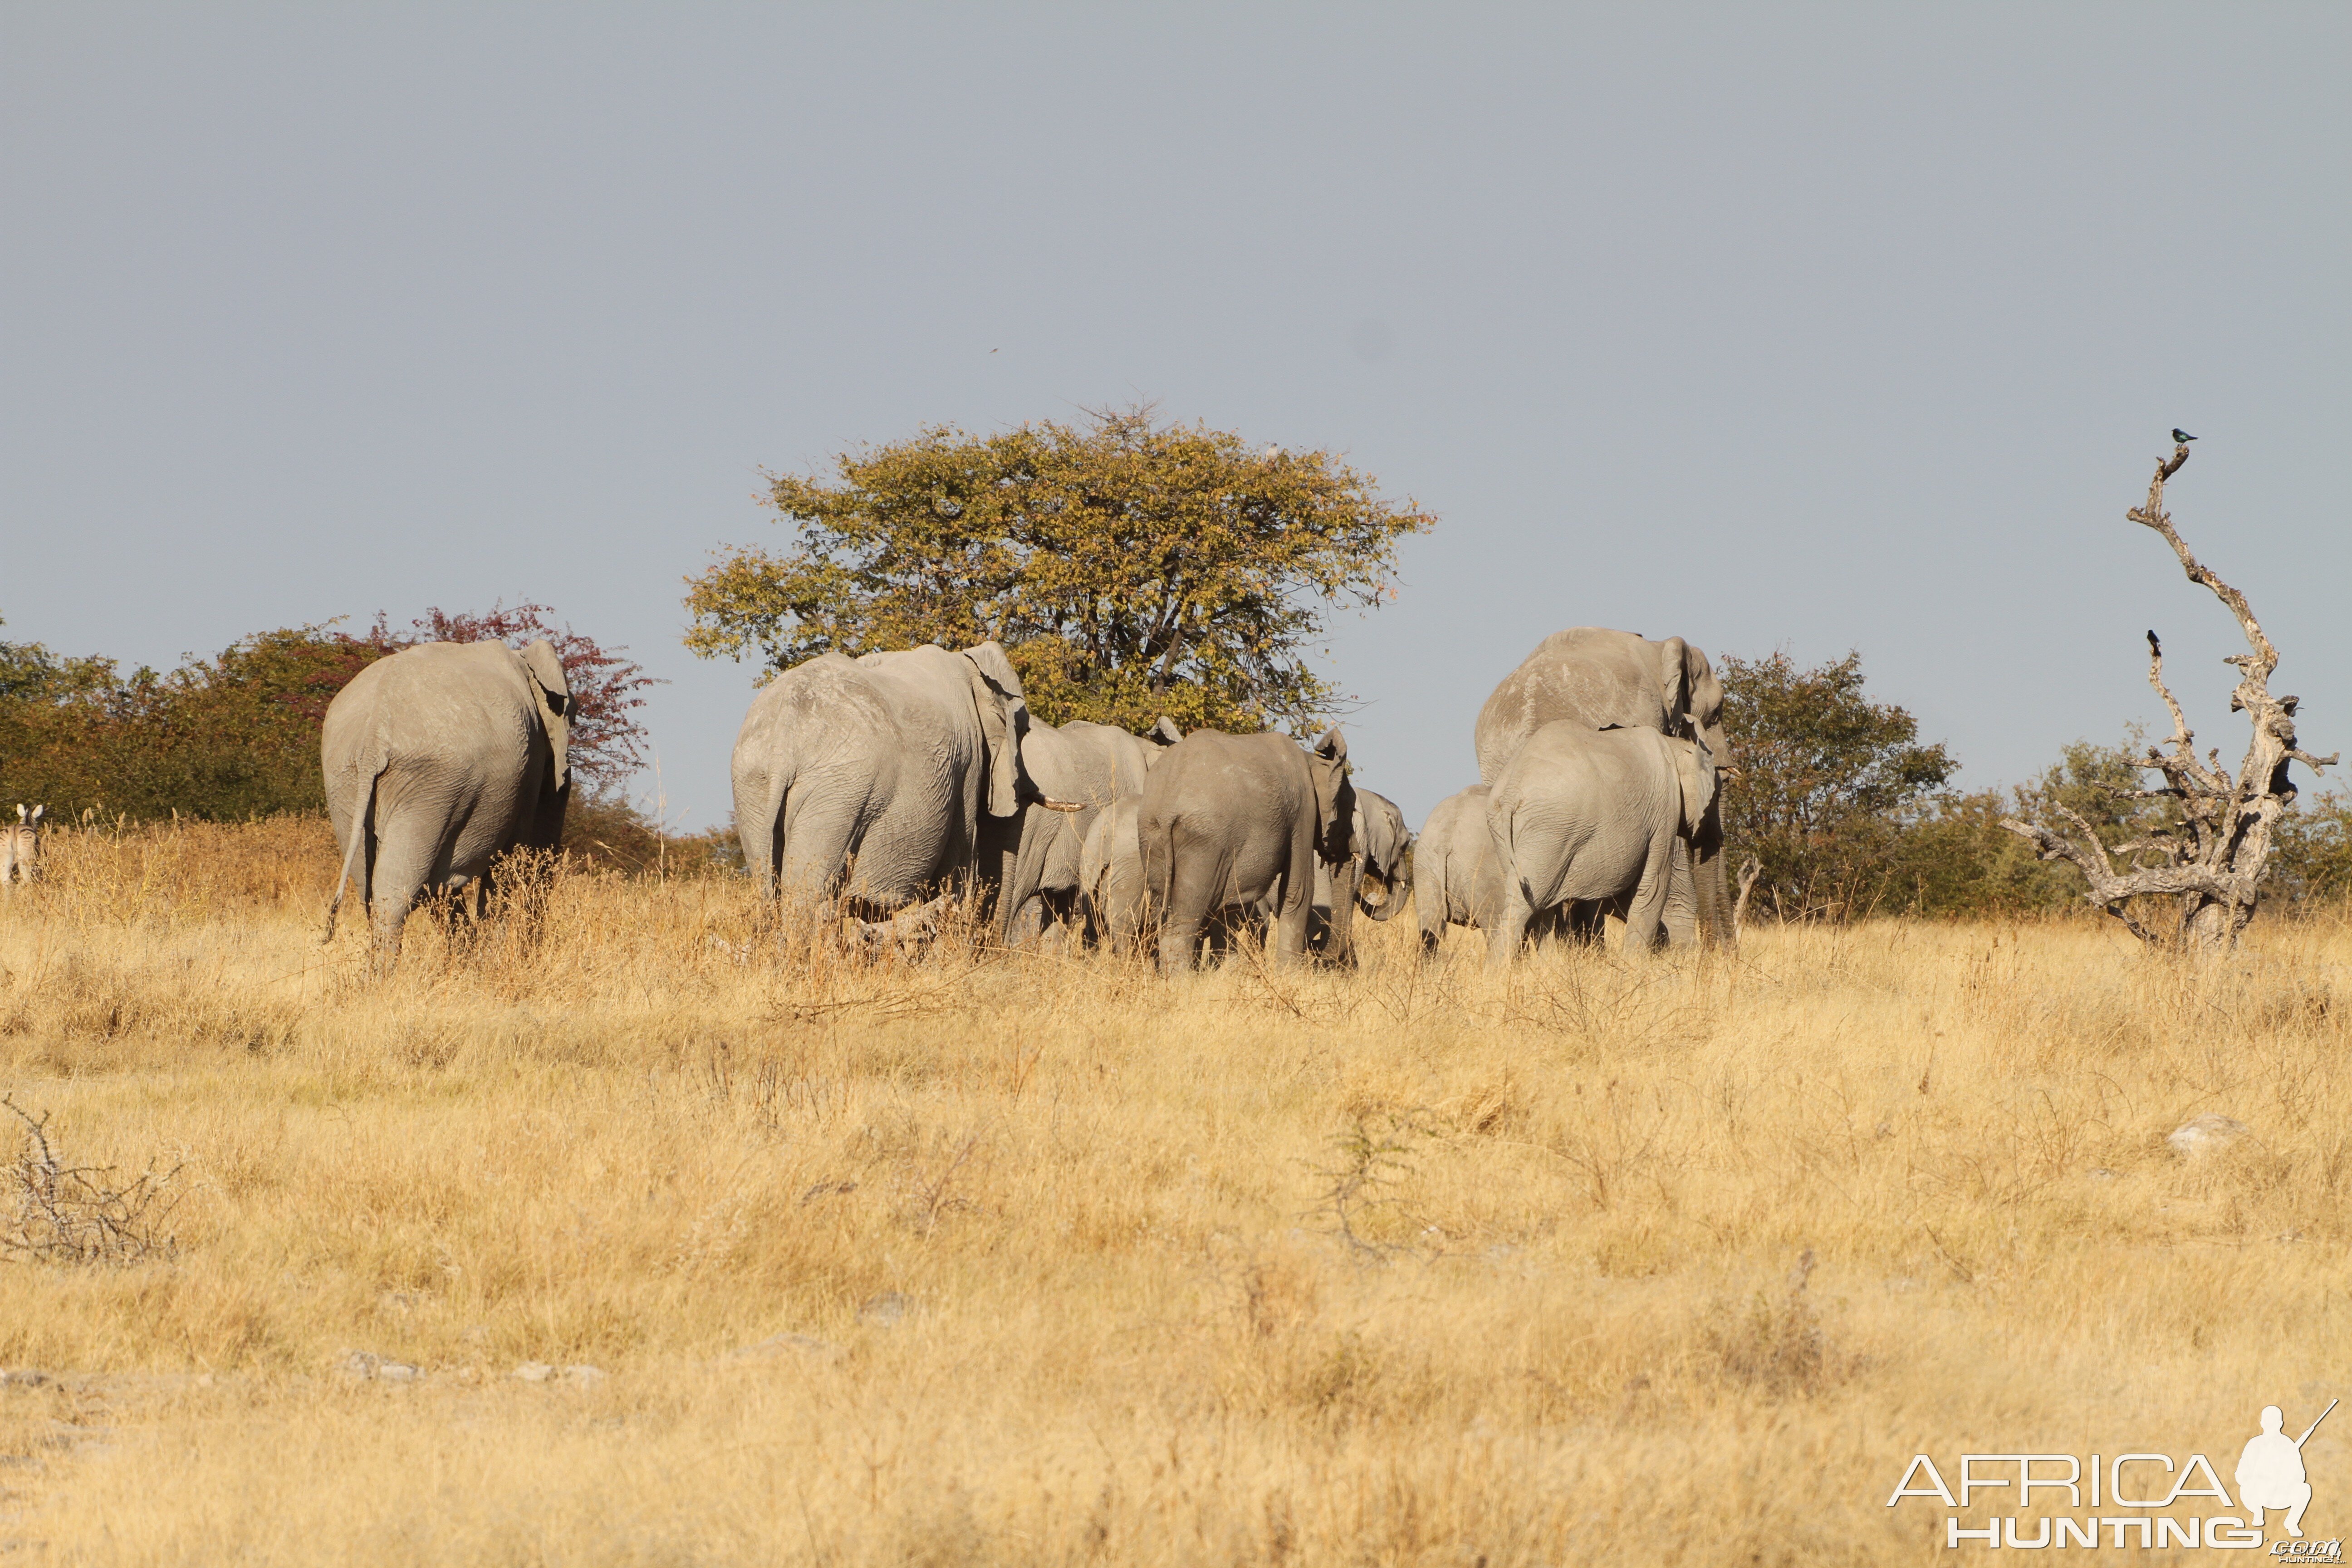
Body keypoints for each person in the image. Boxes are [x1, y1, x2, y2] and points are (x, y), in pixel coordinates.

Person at [2238, 1405, 2313, 1539]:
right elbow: (2241, 1474)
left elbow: (2301, 1476)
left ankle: (2292, 1523)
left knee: (2305, 1489)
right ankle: (2258, 1513)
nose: (2271, 1425)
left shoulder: (2288, 1445)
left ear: (2281, 1424)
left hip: (2281, 1494)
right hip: (2259, 1494)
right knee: (2246, 1487)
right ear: (2262, 1423)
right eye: (2268, 1422)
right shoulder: (2254, 1444)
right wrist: (2258, 1477)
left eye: (2274, 1422)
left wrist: (2286, 1475)